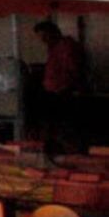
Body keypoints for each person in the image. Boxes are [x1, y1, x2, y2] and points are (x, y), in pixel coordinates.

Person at [35, 21, 83, 150]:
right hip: (53, 92)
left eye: (45, 36)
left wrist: (69, 88)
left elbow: (74, 69)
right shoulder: (53, 48)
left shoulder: (66, 47)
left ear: (53, 33)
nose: (43, 40)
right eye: (41, 38)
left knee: (64, 127)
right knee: (53, 126)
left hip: (63, 92)